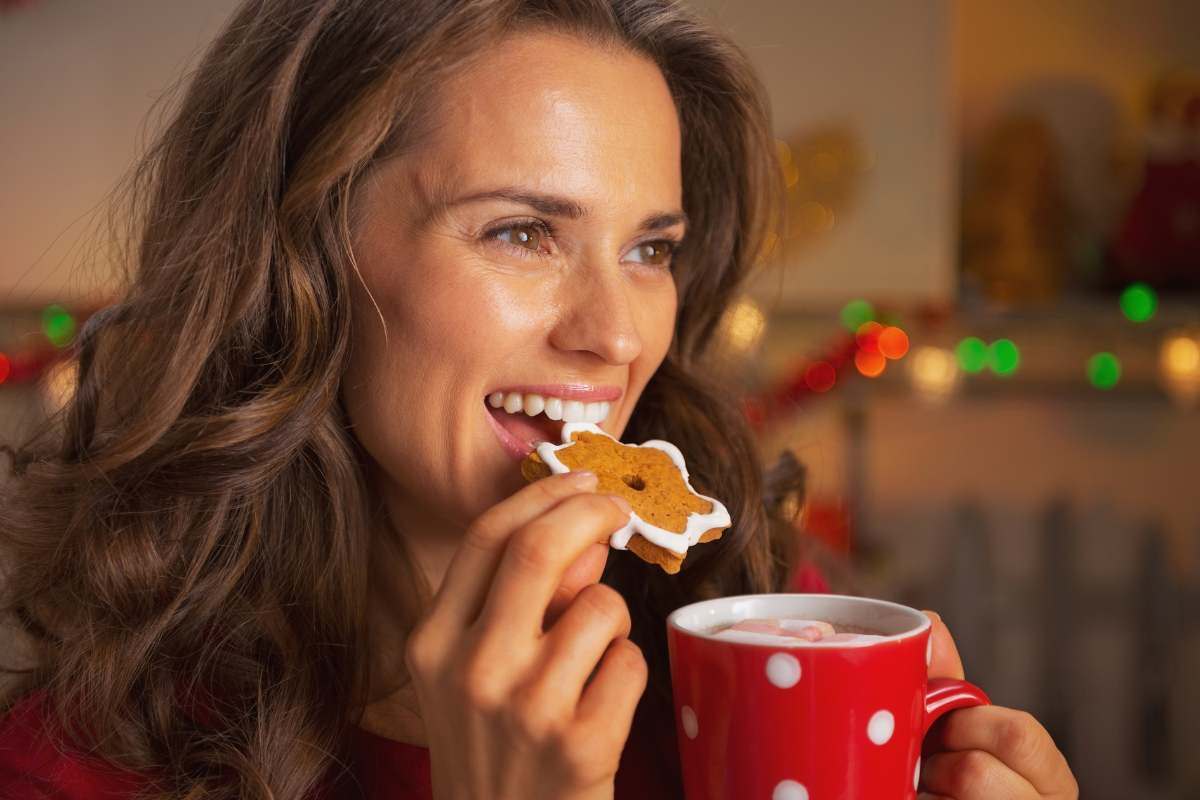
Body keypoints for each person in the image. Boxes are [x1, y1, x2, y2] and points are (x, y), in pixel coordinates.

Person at [0, 1, 1078, 798]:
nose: (615, 335)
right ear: (303, 259)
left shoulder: (756, 631)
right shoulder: (76, 763)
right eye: (522, 231)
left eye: (652, 247)